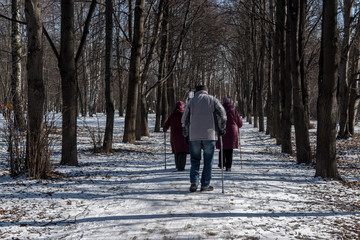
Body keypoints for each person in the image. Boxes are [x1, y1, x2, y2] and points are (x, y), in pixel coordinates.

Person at [181, 85, 227, 192]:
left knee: (195, 160)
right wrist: (222, 128)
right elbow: (223, 115)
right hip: (210, 135)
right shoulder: (213, 99)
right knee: (208, 161)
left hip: (194, 135)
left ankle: (194, 183)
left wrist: (186, 134)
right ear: (206, 91)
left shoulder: (191, 102)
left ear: (196, 91)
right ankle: (205, 185)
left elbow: (185, 119)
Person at [216, 97, 243, 171]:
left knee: (222, 148)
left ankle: (221, 164)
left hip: (222, 130)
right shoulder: (234, 111)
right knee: (230, 150)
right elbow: (239, 123)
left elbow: (216, 120)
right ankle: (228, 166)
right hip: (232, 132)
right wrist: (238, 126)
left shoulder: (220, 111)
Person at [163, 101, 189, 171]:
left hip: (174, 136)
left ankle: (177, 165)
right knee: (183, 151)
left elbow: (166, 124)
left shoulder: (172, 115)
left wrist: (165, 129)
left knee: (177, 151)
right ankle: (181, 166)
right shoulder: (184, 115)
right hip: (183, 135)